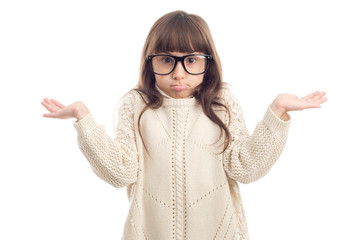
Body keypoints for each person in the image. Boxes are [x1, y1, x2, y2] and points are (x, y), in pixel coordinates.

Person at [41, 10, 327, 240]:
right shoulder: (136, 104)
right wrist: (84, 120)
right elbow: (120, 172)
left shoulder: (221, 102)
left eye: (191, 60)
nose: (179, 74)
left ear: (208, 62)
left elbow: (246, 167)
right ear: (150, 62)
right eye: (166, 60)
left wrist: (277, 112)